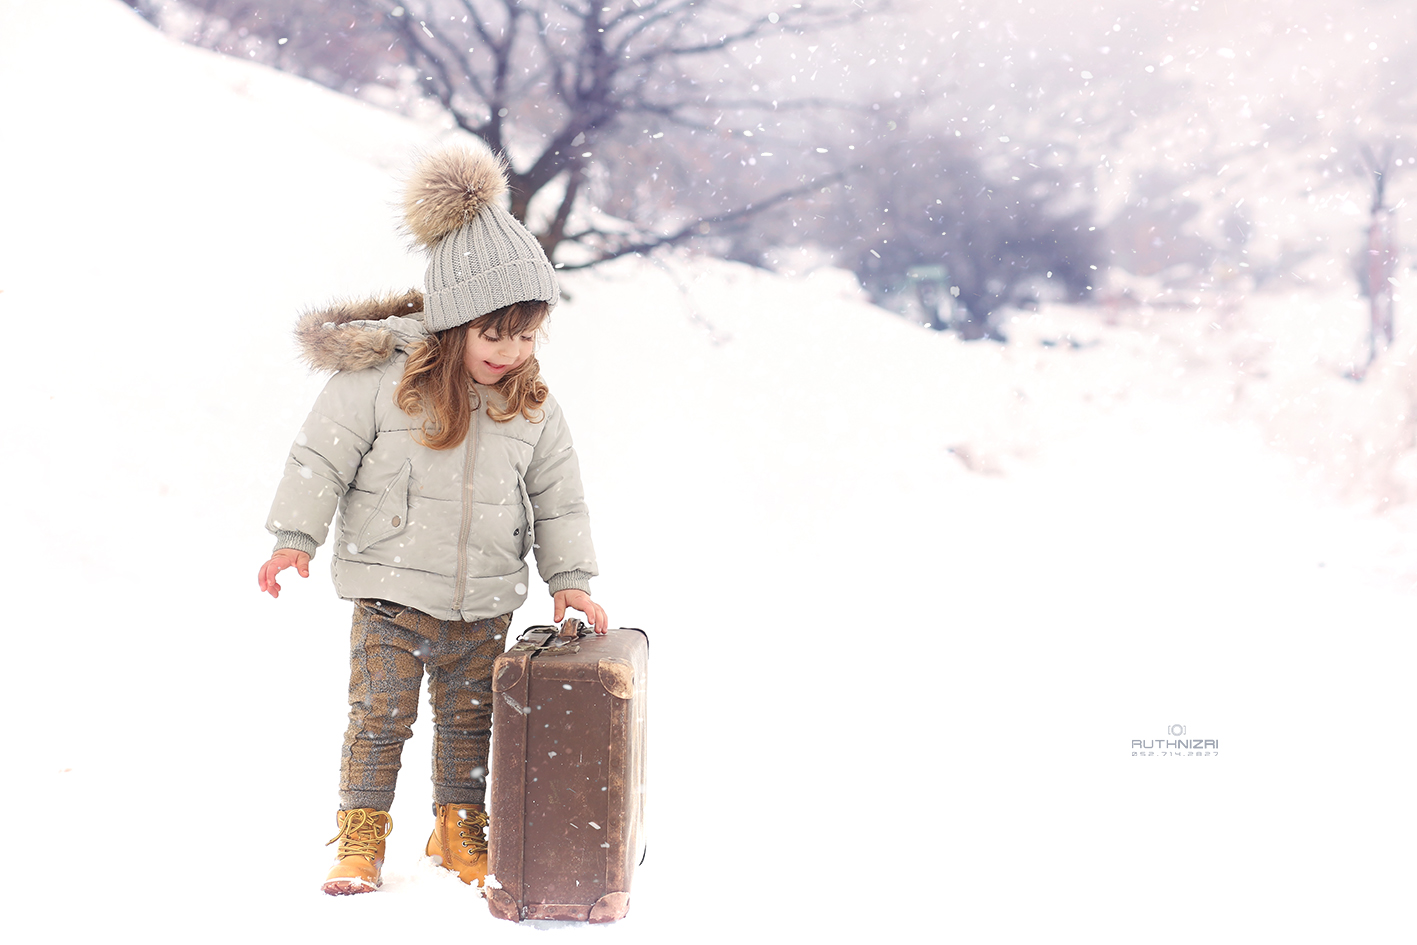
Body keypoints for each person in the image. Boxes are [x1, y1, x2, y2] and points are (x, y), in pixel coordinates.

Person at [256, 143, 607, 897]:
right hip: (390, 590)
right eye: (493, 333)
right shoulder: (381, 380)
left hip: (484, 597)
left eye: (526, 334)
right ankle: (361, 834)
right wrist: (294, 538)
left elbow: (559, 494)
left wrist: (571, 579)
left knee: (470, 723)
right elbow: (320, 456)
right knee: (380, 717)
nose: (511, 352)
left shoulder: (530, 403)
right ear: (452, 322)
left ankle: (457, 825)